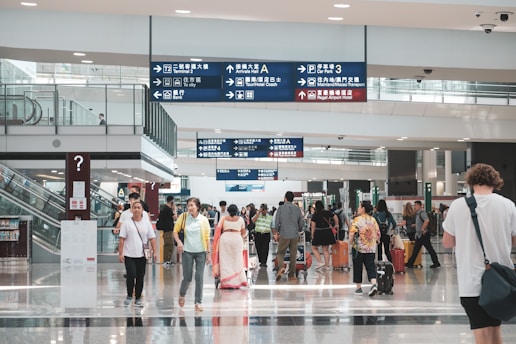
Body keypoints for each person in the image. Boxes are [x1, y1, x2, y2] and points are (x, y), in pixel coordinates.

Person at [442, 163, 516, 344]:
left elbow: (447, 242)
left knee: (480, 330)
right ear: (495, 181)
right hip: (501, 280)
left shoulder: (458, 206)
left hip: (471, 280)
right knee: (494, 327)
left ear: (471, 181)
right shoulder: (508, 205)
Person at [174, 197, 211, 312]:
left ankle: (198, 302)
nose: (189, 207)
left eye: (192, 205)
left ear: (198, 207)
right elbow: (175, 231)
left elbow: (207, 238)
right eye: (188, 205)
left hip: (201, 252)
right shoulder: (184, 217)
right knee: (188, 277)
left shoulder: (203, 220)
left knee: (199, 277)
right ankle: (182, 293)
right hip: (187, 252)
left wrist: (208, 253)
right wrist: (179, 242)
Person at [118, 201, 157, 307]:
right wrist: (121, 253)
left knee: (140, 276)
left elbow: (152, 238)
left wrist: (155, 252)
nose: (136, 210)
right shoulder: (127, 223)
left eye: (139, 208)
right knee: (131, 275)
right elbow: (122, 239)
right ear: (132, 210)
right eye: (134, 208)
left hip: (142, 255)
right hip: (129, 254)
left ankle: (138, 297)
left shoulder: (146, 223)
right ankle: (129, 295)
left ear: (142, 210)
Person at [349, 200, 380, 297]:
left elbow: (352, 233)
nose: (358, 209)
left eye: (359, 207)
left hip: (359, 248)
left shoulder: (358, 220)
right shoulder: (373, 220)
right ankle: (374, 284)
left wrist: (350, 242)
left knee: (358, 267)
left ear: (363, 209)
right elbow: (378, 233)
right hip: (370, 248)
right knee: (370, 267)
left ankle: (358, 288)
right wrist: (376, 241)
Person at [212, 204, 248, 289]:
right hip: (236, 239)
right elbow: (243, 233)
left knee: (225, 260)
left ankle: (226, 281)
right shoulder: (241, 219)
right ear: (237, 211)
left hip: (225, 239)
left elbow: (218, 230)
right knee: (237, 259)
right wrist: (245, 236)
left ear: (228, 211)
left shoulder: (223, 219)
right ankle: (236, 281)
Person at [272, 191, 305, 282]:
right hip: (294, 235)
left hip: (284, 233)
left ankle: (281, 267)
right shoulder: (297, 209)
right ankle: (291, 275)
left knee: (280, 252)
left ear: (285, 198)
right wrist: (299, 230)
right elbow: (301, 222)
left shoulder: (281, 208)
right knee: (293, 254)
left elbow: (277, 222)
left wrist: (276, 232)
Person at [405, 201, 441, 268]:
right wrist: (416, 225)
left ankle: (436, 262)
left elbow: (427, 220)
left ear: (419, 206)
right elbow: (422, 222)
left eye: (415, 205)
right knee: (417, 249)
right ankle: (410, 263)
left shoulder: (422, 213)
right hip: (420, 235)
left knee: (428, 249)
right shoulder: (418, 214)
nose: (414, 207)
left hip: (423, 235)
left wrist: (422, 228)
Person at [310, 200, 338, 272]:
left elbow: (313, 226)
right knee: (325, 249)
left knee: (314, 248)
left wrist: (312, 235)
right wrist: (336, 224)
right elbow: (335, 216)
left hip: (318, 232)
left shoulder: (315, 214)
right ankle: (327, 265)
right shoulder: (327, 212)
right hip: (327, 231)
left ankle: (320, 262)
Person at [157, 196, 177, 267]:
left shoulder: (165, 209)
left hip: (167, 230)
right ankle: (167, 260)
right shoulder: (168, 209)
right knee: (169, 245)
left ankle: (167, 260)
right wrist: (174, 209)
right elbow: (175, 218)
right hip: (168, 230)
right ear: (172, 202)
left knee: (169, 245)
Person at [252, 203, 274, 268]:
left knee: (265, 248)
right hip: (258, 234)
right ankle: (261, 260)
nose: (264, 211)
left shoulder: (270, 217)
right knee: (258, 248)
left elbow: (272, 226)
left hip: (266, 234)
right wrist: (258, 212)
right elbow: (253, 220)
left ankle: (264, 262)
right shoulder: (257, 215)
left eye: (265, 209)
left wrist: (274, 234)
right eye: (262, 209)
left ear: (267, 210)